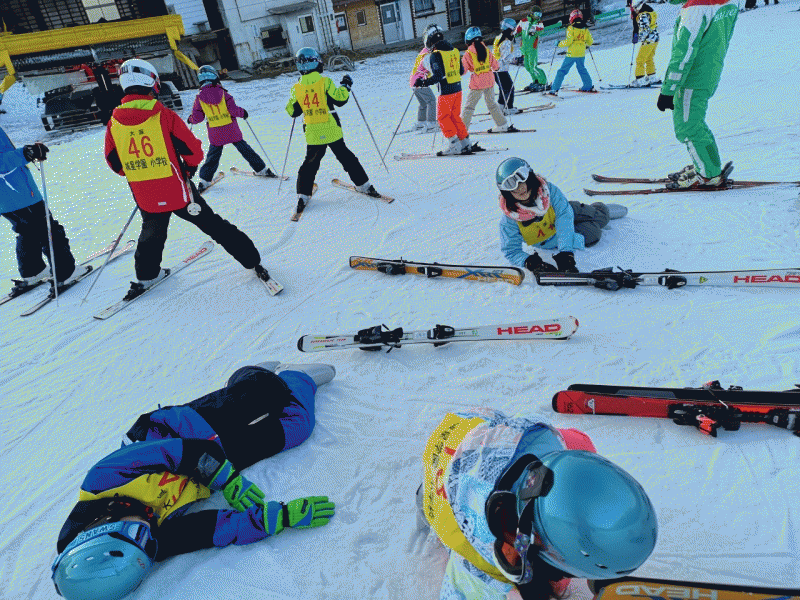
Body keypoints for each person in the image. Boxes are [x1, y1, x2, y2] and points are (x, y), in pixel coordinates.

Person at [51, 361, 337, 600]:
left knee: (265, 392)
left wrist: (227, 480)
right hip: (210, 468)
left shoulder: (103, 480)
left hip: (182, 433)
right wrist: (278, 517)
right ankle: (298, 377)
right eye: (148, 543)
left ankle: (248, 376)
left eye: (138, 533)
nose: (149, 529)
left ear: (98, 526)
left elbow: (180, 452)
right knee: (297, 428)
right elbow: (211, 529)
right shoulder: (146, 543)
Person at [418, 408, 658, 600]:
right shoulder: (481, 571)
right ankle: (421, 498)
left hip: (466, 430)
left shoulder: (552, 448)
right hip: (441, 495)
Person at [104, 58, 276, 300]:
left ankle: (146, 274)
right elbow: (193, 150)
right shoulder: (164, 115)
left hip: (146, 194)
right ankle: (251, 259)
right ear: (152, 83)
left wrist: (139, 174)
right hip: (179, 191)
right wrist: (190, 168)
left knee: (152, 232)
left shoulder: (114, 122)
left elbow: (114, 162)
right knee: (213, 225)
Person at [286, 47, 381, 215]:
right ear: (316, 63)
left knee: (310, 164)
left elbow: (292, 111)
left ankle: (303, 195)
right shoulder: (324, 82)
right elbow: (340, 98)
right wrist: (346, 85)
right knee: (346, 157)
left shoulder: (297, 87)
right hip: (331, 130)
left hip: (313, 132)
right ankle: (364, 185)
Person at [657, 0, 738, 189]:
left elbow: (684, 52)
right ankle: (708, 166)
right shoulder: (730, 2)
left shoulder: (695, 8)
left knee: (687, 126)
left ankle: (708, 175)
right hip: (710, 71)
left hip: (692, 77)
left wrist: (668, 89)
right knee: (696, 122)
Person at [495, 157, 627, 273]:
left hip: (566, 211)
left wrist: (566, 252)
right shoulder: (510, 219)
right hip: (551, 236)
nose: (519, 187)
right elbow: (511, 251)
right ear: (506, 191)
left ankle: (600, 211)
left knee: (601, 217)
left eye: (521, 179)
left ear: (529, 177)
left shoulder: (547, 191)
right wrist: (530, 262)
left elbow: (564, 215)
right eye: (511, 184)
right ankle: (590, 218)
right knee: (593, 233)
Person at [0, 127, 82, 296]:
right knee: (47, 229)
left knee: (27, 230)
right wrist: (25, 153)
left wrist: (27, 153)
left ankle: (34, 271)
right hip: (18, 193)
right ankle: (65, 272)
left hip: (9, 197)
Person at [188, 65, 275, 191]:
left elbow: (198, 117)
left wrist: (190, 119)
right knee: (245, 150)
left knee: (213, 156)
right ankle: (262, 169)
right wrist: (243, 112)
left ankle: (204, 180)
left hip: (215, 132)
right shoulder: (223, 93)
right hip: (231, 130)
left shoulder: (199, 98)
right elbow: (233, 110)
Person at [413, 24, 471, 156]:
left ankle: (453, 144)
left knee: (443, 118)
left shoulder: (436, 54)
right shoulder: (454, 51)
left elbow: (438, 76)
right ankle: (465, 143)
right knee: (455, 116)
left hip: (446, 91)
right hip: (458, 89)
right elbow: (461, 70)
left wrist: (423, 82)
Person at [461, 26, 509, 136]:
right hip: (489, 80)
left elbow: (463, 71)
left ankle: (462, 131)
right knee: (491, 103)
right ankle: (502, 124)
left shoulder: (468, 53)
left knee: (469, 107)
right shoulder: (486, 50)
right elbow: (496, 66)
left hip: (477, 83)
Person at [546, 10, 595, 96]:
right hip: (581, 54)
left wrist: (559, 43)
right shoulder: (585, 29)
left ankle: (554, 89)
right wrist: (584, 44)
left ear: (571, 18)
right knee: (582, 69)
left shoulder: (571, 28)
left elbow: (569, 42)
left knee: (562, 71)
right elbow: (590, 42)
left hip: (572, 54)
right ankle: (588, 85)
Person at [514, 7, 548, 93]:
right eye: (537, 14)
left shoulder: (538, 23)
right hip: (524, 48)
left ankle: (543, 82)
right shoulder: (524, 21)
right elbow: (517, 30)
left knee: (533, 66)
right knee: (527, 66)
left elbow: (541, 30)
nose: (538, 16)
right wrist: (514, 34)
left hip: (532, 48)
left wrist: (535, 30)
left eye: (540, 15)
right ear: (532, 13)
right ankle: (535, 81)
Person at [493, 18, 522, 114]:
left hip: (496, 69)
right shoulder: (506, 42)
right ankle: (508, 108)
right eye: (513, 29)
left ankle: (500, 106)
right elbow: (505, 57)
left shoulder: (499, 37)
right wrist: (516, 59)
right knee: (510, 88)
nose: (514, 31)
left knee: (503, 88)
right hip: (501, 69)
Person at [409, 42, 438, 133]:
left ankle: (421, 122)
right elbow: (430, 68)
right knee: (431, 100)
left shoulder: (423, 52)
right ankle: (431, 124)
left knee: (423, 103)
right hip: (420, 81)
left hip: (413, 81)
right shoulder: (427, 56)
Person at [630, 2, 661, 87]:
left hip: (648, 40)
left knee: (640, 60)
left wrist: (640, 38)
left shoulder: (642, 15)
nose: (635, 10)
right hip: (655, 38)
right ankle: (652, 77)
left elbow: (645, 30)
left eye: (635, 8)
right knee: (649, 58)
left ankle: (640, 80)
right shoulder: (650, 12)